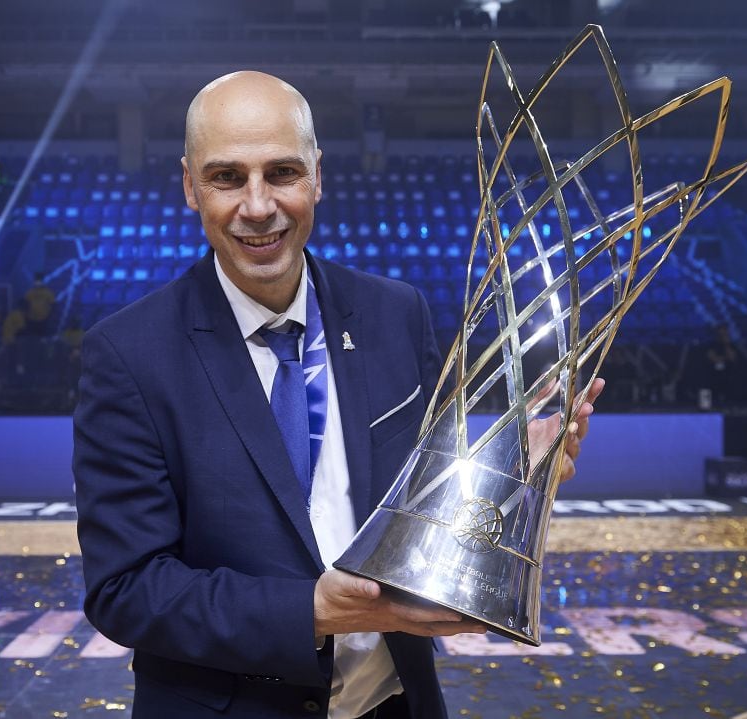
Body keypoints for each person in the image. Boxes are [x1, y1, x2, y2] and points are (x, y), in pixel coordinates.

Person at [73, 71, 602, 719]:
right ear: (190, 185)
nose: (259, 204)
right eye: (227, 177)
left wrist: (511, 479)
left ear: (318, 176)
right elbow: (126, 588)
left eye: (283, 172)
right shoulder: (128, 353)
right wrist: (314, 611)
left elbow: (429, 511)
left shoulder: (395, 314)